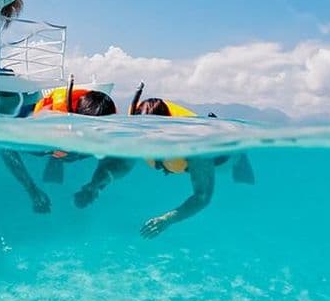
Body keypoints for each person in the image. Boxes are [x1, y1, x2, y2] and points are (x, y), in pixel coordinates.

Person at [74, 94, 255, 238]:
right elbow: (117, 164)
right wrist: (95, 185)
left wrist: (167, 220)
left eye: (152, 140)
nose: (146, 145)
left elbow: (202, 197)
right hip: (171, 158)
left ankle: (242, 157)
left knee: (233, 166)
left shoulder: (196, 149)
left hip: (223, 159)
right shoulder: (135, 134)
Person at [1, 90, 120, 213]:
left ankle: (58, 157)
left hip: (64, 139)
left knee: (81, 154)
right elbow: (5, 148)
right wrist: (31, 189)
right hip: (42, 133)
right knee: (52, 150)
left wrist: (95, 186)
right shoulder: (35, 127)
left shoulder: (102, 124)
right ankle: (55, 155)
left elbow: (117, 160)